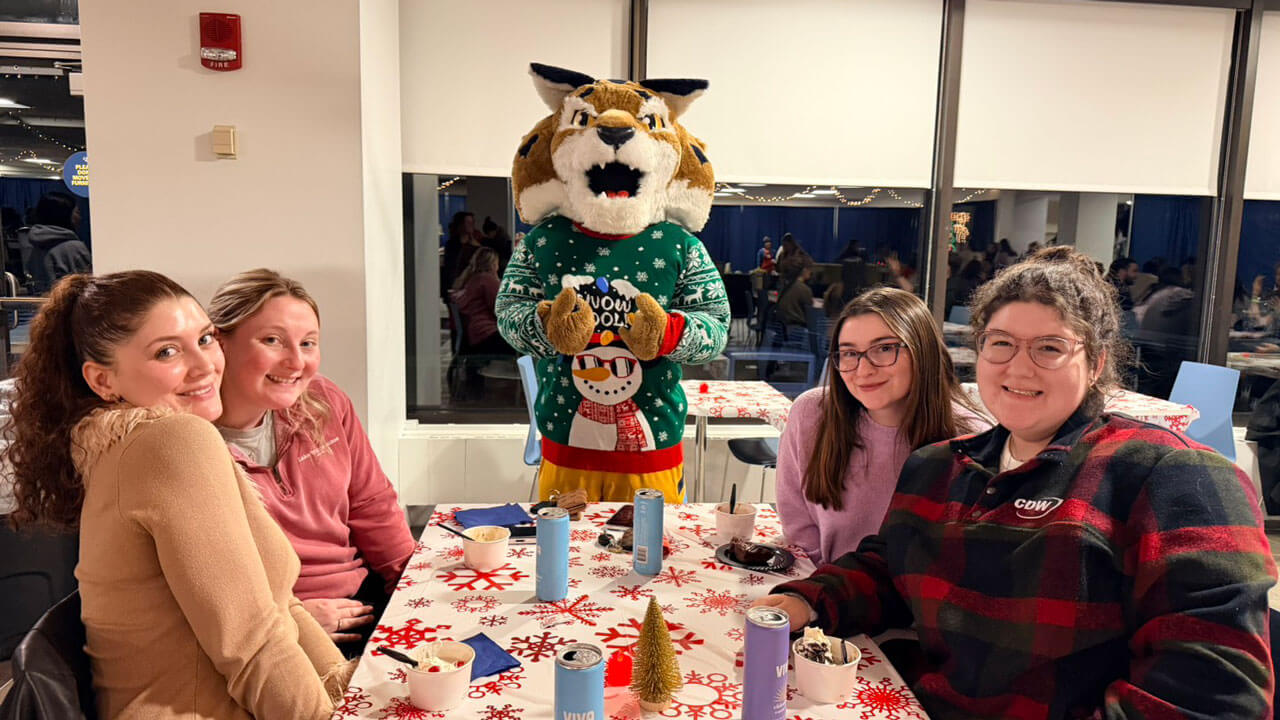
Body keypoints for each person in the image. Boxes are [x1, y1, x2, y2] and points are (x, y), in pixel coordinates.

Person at [752, 247, 1275, 718]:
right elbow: (888, 570)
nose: (1018, 368)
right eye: (1000, 343)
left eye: (1049, 348)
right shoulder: (939, 467)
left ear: (1094, 362)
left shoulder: (1176, 477)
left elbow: (1214, 693)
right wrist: (808, 600)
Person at [3, 271, 350, 719]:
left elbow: (277, 603)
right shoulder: (172, 442)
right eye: (167, 351)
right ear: (102, 380)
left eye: (205, 339)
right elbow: (251, 643)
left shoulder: (131, 445)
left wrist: (347, 688)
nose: (205, 365)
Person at [208, 268, 414, 655]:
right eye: (272, 340)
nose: (295, 362)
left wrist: (412, 582)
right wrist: (292, 619)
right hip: (276, 633)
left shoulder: (324, 401)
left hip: (362, 600)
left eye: (308, 343)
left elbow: (371, 503)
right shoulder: (190, 444)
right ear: (219, 343)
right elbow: (209, 584)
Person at [776, 287, 988, 565]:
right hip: (825, 590)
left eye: (885, 348)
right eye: (849, 353)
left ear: (922, 351)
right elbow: (798, 524)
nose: (864, 370)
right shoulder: (812, 414)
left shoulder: (972, 439)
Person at [451, 248, 516, 357]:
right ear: (493, 264)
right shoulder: (487, 280)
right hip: (486, 334)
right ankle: (529, 374)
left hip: (475, 335)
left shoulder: (470, 280)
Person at [25, 191, 90, 294]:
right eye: (77, 212)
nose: (80, 218)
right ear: (64, 215)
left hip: (44, 305)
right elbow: (89, 286)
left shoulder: (35, 246)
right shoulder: (74, 248)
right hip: (69, 306)